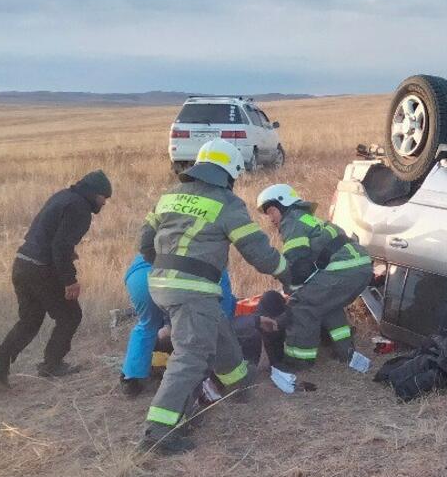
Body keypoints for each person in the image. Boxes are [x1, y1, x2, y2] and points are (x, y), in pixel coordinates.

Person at [138, 139, 288, 454]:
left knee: (215, 325)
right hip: (193, 289)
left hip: (161, 283)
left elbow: (145, 242)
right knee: (190, 356)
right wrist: (285, 270)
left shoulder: (168, 197)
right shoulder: (226, 202)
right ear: (229, 172)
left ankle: (239, 385)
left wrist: (169, 271)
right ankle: (158, 432)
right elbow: (257, 251)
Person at [0, 170, 112, 390]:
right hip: (41, 270)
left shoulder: (63, 196)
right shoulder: (80, 209)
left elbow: (46, 234)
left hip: (22, 263)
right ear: (94, 194)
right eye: (105, 197)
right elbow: (60, 246)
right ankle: (52, 364)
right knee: (71, 315)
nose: (104, 202)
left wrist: (65, 252)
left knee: (29, 321)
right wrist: (69, 280)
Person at [256, 183, 372, 371]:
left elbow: (297, 265)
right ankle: (345, 351)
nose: (270, 218)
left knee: (302, 305)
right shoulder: (307, 219)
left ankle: (298, 360)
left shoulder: (291, 222)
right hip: (360, 266)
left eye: (271, 211)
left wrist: (291, 290)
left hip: (344, 268)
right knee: (327, 304)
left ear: (283, 204)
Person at [119, 253, 235, 397]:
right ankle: (209, 376)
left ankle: (130, 380)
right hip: (167, 279)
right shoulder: (214, 256)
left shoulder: (168, 233)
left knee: (147, 325)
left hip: (138, 277)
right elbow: (222, 311)